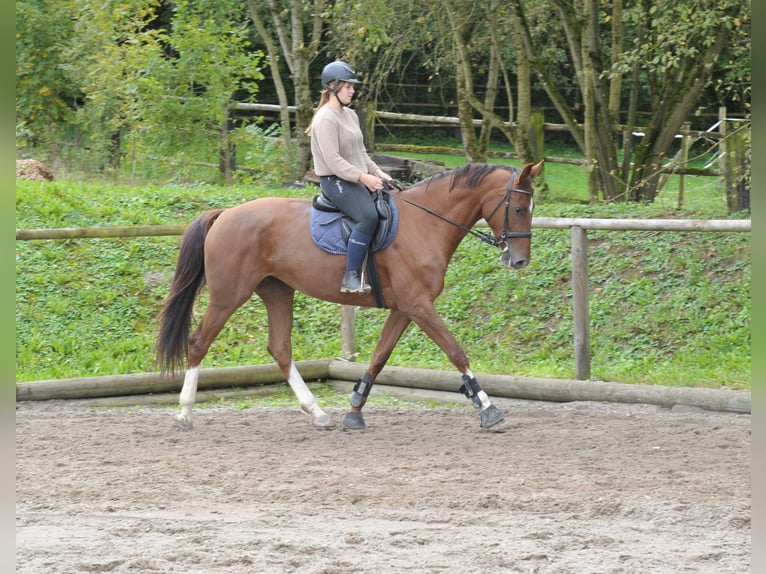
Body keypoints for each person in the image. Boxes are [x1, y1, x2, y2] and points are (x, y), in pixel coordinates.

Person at [307, 61, 392, 294]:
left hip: (355, 176)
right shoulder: (325, 119)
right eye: (347, 87)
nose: (352, 91)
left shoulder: (351, 115)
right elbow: (334, 162)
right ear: (332, 86)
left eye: (352, 87)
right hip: (335, 180)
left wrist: (376, 171)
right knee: (368, 215)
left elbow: (360, 152)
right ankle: (351, 276)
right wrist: (364, 178)